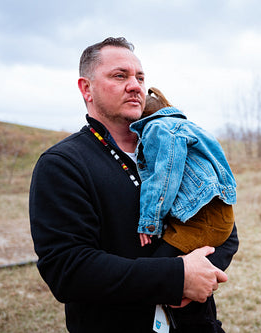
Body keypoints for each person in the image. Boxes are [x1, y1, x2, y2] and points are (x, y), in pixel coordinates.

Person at [29, 37, 239, 333]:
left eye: (140, 77)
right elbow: (68, 270)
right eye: (120, 75)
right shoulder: (63, 164)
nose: (135, 85)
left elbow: (223, 225)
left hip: (197, 324)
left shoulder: (172, 148)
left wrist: (202, 273)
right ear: (86, 88)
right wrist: (177, 278)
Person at [130, 87, 236, 257]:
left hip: (202, 220)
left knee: (159, 267)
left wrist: (149, 222)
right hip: (218, 214)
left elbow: (164, 175)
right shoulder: (189, 126)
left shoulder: (155, 127)